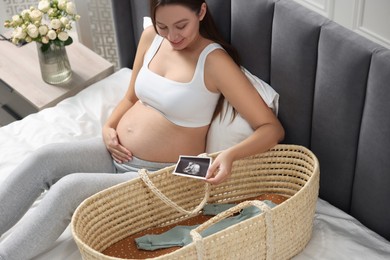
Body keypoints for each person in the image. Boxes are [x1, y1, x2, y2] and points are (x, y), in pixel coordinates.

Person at [0, 0, 284, 259]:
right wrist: (109, 127)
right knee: (44, 158)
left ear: (201, 11)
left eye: (181, 26)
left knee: (68, 190)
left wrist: (231, 155)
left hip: (168, 173)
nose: (172, 37)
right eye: (163, 26)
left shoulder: (214, 62)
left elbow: (271, 128)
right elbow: (130, 97)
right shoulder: (151, 38)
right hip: (117, 152)